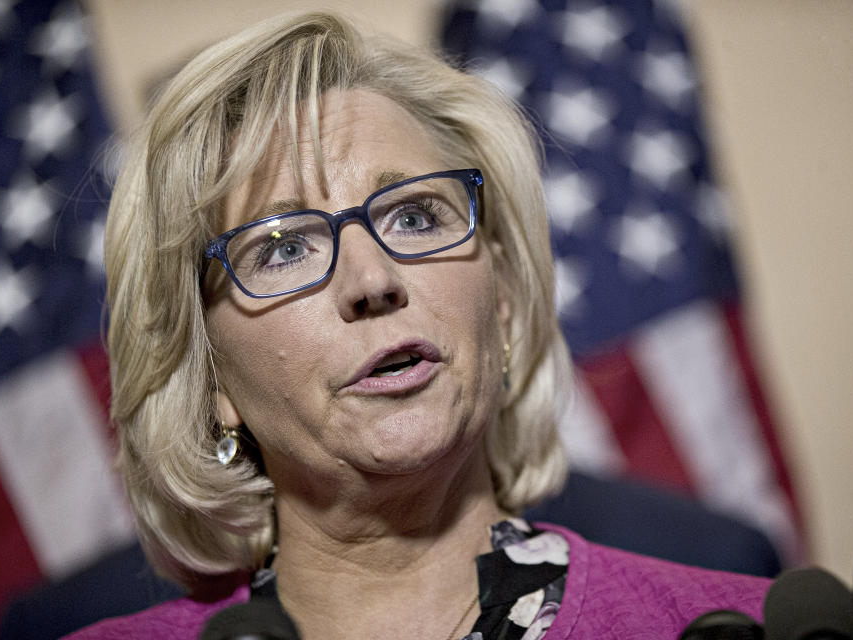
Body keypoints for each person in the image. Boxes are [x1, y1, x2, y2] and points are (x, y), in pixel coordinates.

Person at [67, 11, 768, 640]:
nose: (372, 282)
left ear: (503, 301)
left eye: (414, 216)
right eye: (283, 247)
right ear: (208, 375)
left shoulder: (730, 627)